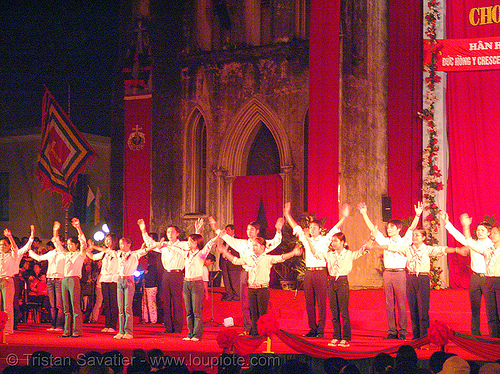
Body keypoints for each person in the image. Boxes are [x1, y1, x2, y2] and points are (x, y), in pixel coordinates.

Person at [377, 227, 467, 339]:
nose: (414, 237)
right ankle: (416, 336)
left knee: (422, 309)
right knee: (413, 308)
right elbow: (391, 247)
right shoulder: (407, 249)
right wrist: (374, 246)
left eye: (417, 235)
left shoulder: (427, 249)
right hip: (410, 278)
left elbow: (442, 249)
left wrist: (457, 250)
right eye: (413, 235)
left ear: (423, 238)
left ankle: (424, 336)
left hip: (422, 279)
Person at [358, 201, 423, 340]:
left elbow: (411, 228)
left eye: (392, 227)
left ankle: (403, 331)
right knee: (389, 303)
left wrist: (417, 215)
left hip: (400, 273)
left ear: (399, 229)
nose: (389, 229)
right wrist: (364, 214)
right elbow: (373, 230)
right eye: (388, 227)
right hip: (387, 273)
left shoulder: (405, 240)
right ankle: (392, 331)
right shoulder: (385, 240)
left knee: (401, 303)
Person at [284, 201, 350, 338]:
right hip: (308, 272)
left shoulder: (326, 239)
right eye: (310, 227)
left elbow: (336, 227)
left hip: (321, 272)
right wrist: (287, 214)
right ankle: (312, 328)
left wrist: (344, 216)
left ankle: (320, 330)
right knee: (309, 302)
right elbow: (295, 227)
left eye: (315, 227)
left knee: (321, 302)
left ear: (320, 229)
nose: (312, 229)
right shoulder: (305, 238)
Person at [208, 216, 284, 335]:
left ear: (257, 231)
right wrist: (215, 228)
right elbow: (227, 238)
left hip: (259, 275)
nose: (249, 232)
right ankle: (249, 329)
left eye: (252, 230)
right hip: (245, 273)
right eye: (248, 230)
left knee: (259, 305)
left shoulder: (262, 244)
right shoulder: (241, 243)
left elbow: (276, 242)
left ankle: (261, 329)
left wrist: (278, 230)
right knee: (245, 303)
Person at [219, 236, 302, 336]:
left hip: (262, 289)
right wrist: (225, 252)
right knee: (253, 313)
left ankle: (264, 333)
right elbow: (236, 261)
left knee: (262, 313)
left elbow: (281, 257)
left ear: (263, 247)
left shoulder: (268, 258)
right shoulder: (249, 258)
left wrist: (293, 253)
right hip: (252, 288)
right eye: (253, 245)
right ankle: (254, 333)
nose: (253, 247)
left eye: (256, 245)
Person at [138, 218, 203, 334]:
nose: (170, 234)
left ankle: (178, 328)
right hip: (166, 274)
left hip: (177, 274)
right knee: (166, 302)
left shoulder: (183, 244)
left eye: (172, 232)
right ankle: (168, 327)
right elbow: (150, 244)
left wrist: (197, 230)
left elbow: (194, 243)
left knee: (177, 302)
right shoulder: (164, 245)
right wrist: (143, 230)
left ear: (177, 234)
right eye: (168, 232)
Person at [307, 231, 371, 347]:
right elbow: (315, 253)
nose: (333, 243)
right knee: (334, 311)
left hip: (342, 282)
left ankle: (346, 337)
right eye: (332, 241)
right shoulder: (329, 254)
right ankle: (336, 336)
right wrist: (308, 240)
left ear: (343, 243)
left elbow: (364, 250)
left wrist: (371, 238)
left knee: (343, 311)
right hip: (331, 282)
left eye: (336, 241)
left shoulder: (349, 254)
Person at [441, 211, 492, 336]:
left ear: (489, 233)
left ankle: (494, 334)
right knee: (474, 308)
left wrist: (466, 226)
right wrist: (447, 222)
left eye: (483, 230)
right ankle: (475, 333)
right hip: (475, 278)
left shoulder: (491, 245)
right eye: (478, 230)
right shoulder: (472, 242)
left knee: (491, 309)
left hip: (488, 278)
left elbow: (469, 243)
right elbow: (458, 236)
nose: (479, 232)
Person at [94, 237, 151, 339]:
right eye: (120, 244)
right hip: (120, 280)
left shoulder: (134, 254)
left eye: (124, 244)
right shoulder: (118, 253)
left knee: (127, 307)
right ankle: (121, 331)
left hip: (129, 281)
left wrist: (157, 244)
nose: (122, 246)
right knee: (120, 307)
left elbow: (146, 250)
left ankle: (128, 331)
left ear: (129, 244)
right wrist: (93, 247)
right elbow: (106, 250)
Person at [461, 214, 500, 337]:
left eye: (494, 233)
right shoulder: (487, 250)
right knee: (491, 312)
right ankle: (494, 338)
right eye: (491, 233)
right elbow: (470, 243)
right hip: (488, 281)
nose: (491, 235)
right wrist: (466, 227)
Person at [179, 231, 219, 341]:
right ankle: (190, 333)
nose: (188, 243)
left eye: (191, 241)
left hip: (197, 283)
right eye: (188, 241)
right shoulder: (186, 253)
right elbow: (175, 247)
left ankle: (197, 334)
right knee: (188, 310)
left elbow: (209, 244)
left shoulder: (201, 254)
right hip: (186, 282)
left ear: (197, 243)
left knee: (196, 310)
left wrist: (218, 234)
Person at [52, 218, 87, 338]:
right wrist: (55, 230)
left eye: (71, 244)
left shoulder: (80, 254)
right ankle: (66, 330)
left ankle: (77, 330)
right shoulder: (66, 254)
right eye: (68, 244)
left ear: (76, 245)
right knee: (66, 306)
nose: (69, 246)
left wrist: (78, 227)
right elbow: (57, 244)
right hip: (65, 279)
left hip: (74, 279)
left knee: (75, 306)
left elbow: (84, 243)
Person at [0, 225, 34, 335]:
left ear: (9, 246)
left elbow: (17, 248)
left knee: (7, 306)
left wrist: (10, 237)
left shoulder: (14, 254)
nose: (1, 247)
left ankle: (8, 329)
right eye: (0, 245)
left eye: (4, 245)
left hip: (8, 280)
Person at [28, 238, 65, 331]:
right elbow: (39, 258)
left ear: (62, 243)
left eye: (57, 241)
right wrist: (29, 251)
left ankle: (60, 325)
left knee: (59, 304)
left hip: (59, 279)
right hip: (50, 279)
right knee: (52, 304)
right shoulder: (51, 253)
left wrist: (55, 231)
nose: (55, 243)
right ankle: (53, 324)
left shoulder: (64, 253)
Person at [87, 233, 119, 332]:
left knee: (113, 303)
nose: (106, 241)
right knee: (107, 303)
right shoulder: (104, 253)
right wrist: (89, 248)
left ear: (114, 241)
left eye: (109, 240)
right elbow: (92, 257)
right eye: (106, 240)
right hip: (104, 280)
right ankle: (107, 325)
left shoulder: (117, 252)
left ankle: (113, 325)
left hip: (113, 280)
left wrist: (94, 246)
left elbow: (107, 250)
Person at [219, 225, 242, 302]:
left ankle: (237, 296)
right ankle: (229, 295)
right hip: (224, 262)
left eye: (228, 230)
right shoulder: (225, 241)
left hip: (233, 263)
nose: (227, 231)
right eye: (226, 230)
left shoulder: (237, 240)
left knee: (234, 280)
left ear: (233, 231)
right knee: (226, 279)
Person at [141, 252, 159, 324]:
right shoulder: (149, 267)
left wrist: (146, 274)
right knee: (145, 303)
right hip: (146, 286)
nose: (146, 259)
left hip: (151, 287)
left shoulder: (153, 268)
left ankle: (153, 319)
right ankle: (145, 318)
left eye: (147, 258)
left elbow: (151, 277)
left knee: (151, 303)